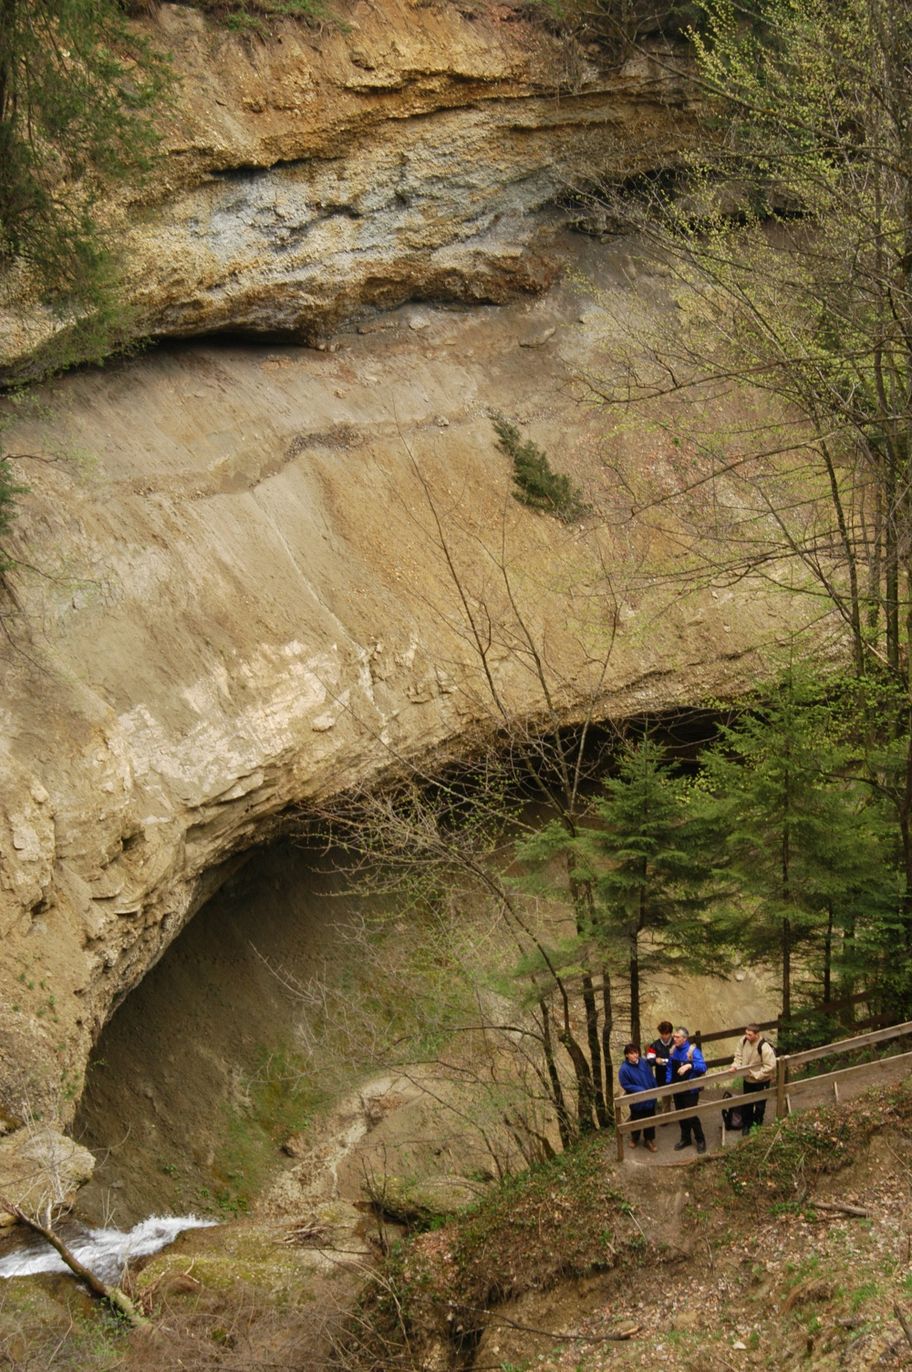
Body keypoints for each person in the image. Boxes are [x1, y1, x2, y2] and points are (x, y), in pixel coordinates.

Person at [732, 1024, 776, 1135]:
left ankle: (758, 1125)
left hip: (762, 1081)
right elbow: (738, 1055)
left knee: (760, 1105)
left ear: (757, 1035)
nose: (747, 1036)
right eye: (746, 1033)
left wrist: (757, 1075)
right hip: (748, 1079)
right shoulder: (743, 1041)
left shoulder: (764, 1047)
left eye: (750, 1034)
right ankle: (747, 1124)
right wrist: (735, 1065)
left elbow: (770, 1066)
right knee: (747, 1103)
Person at [668, 1026, 707, 1154]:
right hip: (677, 1088)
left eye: (677, 1037)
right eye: (674, 1036)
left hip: (690, 1089)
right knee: (681, 1115)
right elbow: (669, 1068)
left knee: (691, 1115)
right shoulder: (673, 1050)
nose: (674, 1038)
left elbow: (703, 1067)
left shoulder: (692, 1051)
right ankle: (685, 1139)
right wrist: (669, 1082)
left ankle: (700, 1140)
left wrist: (690, 1065)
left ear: (684, 1039)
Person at [618, 1043, 658, 1151]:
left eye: (636, 1052)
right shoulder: (624, 1069)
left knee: (650, 1119)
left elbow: (651, 1075)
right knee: (636, 1118)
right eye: (632, 1053)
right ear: (626, 1055)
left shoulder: (644, 1062)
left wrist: (655, 1087)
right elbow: (625, 1084)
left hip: (650, 1096)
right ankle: (635, 1138)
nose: (635, 1055)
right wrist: (639, 1090)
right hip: (637, 1100)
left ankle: (649, 1140)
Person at [647, 1020, 676, 1113]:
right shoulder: (655, 1045)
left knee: (679, 1095)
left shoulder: (676, 1043)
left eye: (666, 1033)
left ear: (670, 1033)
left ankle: (683, 1116)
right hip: (662, 1075)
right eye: (662, 1034)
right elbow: (649, 1059)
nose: (664, 1036)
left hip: (676, 1073)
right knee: (665, 1098)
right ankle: (666, 1116)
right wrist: (655, 1060)